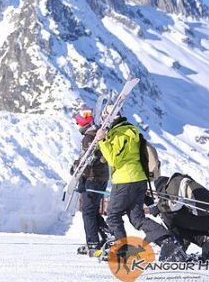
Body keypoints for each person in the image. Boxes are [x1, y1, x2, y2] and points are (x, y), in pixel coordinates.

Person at [96, 107, 188, 262]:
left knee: (113, 215)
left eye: (104, 119)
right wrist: (104, 143)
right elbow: (115, 156)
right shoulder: (128, 131)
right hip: (137, 180)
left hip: (126, 180)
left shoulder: (122, 133)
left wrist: (102, 141)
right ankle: (169, 244)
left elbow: (114, 160)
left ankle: (120, 251)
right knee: (136, 218)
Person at [146, 174, 209, 260]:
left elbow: (173, 205)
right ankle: (205, 240)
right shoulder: (183, 182)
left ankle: (177, 250)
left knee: (166, 214)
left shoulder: (174, 183)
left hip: (203, 216)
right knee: (177, 217)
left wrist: (156, 208)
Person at [71, 106, 111, 256]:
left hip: (93, 178)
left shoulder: (89, 136)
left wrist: (75, 167)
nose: (77, 126)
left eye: (78, 123)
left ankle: (93, 244)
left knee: (87, 212)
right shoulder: (96, 133)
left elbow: (89, 159)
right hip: (101, 177)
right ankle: (108, 236)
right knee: (92, 211)